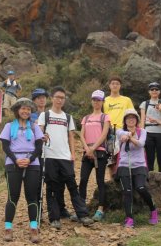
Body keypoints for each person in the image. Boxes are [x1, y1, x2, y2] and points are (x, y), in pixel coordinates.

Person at [37, 86, 94, 229]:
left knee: (72, 186)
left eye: (62, 98)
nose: (60, 100)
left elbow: (71, 136)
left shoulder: (67, 117)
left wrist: (72, 154)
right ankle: (54, 218)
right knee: (52, 187)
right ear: (52, 98)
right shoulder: (45, 115)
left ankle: (82, 214)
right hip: (49, 156)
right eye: (57, 97)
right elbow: (39, 133)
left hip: (64, 156)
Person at [0, 98, 44, 243]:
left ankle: (33, 228)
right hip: (13, 163)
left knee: (32, 197)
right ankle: (8, 228)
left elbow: (39, 147)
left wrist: (29, 160)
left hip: (32, 163)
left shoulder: (35, 127)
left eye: (28, 109)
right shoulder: (9, 126)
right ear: (17, 110)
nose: (26, 111)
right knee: (13, 196)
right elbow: (5, 147)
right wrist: (16, 160)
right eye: (23, 109)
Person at [117, 109, 159, 229]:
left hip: (139, 165)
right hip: (124, 165)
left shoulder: (143, 131)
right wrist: (127, 135)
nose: (131, 120)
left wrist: (130, 137)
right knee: (127, 191)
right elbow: (121, 136)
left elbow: (141, 144)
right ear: (125, 121)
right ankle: (129, 218)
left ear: (137, 120)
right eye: (128, 118)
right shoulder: (120, 131)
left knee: (140, 187)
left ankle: (153, 209)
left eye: (133, 117)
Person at [79, 90, 110, 222]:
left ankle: (100, 209)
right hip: (87, 152)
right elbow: (81, 134)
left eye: (99, 100)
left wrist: (92, 148)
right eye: (94, 100)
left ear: (103, 102)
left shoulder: (105, 117)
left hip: (100, 152)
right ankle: (81, 209)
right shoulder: (86, 118)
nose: (96, 102)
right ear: (91, 101)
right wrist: (87, 149)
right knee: (83, 180)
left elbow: (104, 134)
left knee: (100, 181)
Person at [104, 76, 134, 174]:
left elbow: (132, 115)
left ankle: (123, 178)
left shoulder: (126, 100)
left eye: (117, 83)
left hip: (123, 131)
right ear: (109, 85)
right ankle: (113, 180)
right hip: (109, 131)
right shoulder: (105, 100)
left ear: (120, 86)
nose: (115, 85)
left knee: (123, 157)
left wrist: (132, 130)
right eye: (113, 83)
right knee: (111, 158)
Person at [139, 82, 161, 172]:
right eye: (152, 89)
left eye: (156, 89)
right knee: (149, 158)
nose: (154, 91)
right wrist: (141, 134)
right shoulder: (144, 103)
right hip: (149, 132)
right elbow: (142, 120)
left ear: (160, 91)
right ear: (149, 92)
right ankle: (149, 177)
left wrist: (160, 107)